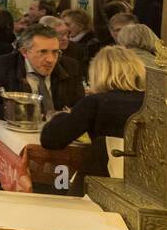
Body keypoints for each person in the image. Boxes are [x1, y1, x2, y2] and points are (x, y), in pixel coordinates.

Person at [0, 23, 85, 188]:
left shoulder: (70, 67)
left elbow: (79, 106)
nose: (50, 59)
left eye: (55, 52)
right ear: (24, 52)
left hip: (57, 139)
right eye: (42, 52)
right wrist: (27, 113)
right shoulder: (0, 67)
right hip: (8, 137)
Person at [41, 46, 147, 177]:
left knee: (57, 184)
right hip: (147, 178)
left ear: (98, 73)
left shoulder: (96, 102)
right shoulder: (152, 103)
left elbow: (51, 140)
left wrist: (63, 116)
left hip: (104, 178)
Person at [61, 8, 102, 72]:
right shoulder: (65, 41)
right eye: (62, 24)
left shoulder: (92, 44)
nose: (64, 27)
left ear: (81, 26)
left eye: (67, 24)